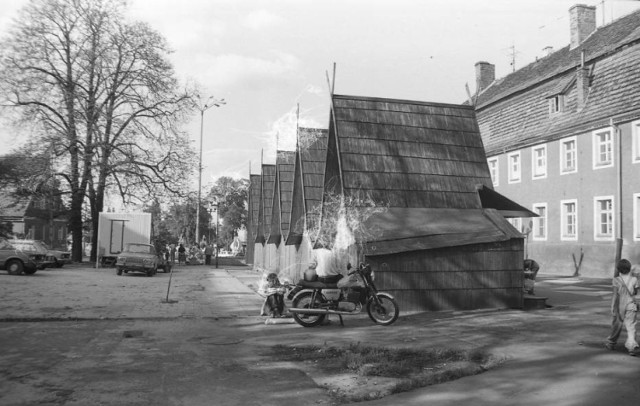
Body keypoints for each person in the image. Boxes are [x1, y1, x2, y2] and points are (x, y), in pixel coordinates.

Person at [605, 259, 640, 356]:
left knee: (617, 325)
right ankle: (632, 347)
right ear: (629, 268)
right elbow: (636, 293)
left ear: (619, 269)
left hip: (619, 305)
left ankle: (611, 343)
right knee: (631, 326)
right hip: (631, 305)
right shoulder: (634, 279)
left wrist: (612, 306)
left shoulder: (616, 280)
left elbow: (615, 295)